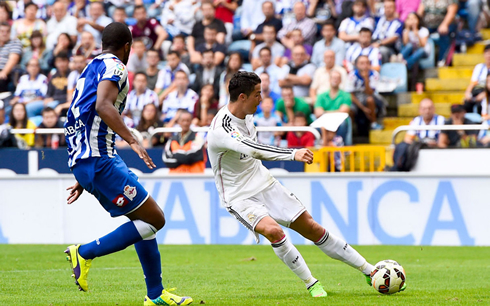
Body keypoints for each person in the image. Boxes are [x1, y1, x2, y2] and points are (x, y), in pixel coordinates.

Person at [207, 71, 384, 298]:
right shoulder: (221, 129)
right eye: (257, 94)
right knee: (274, 231)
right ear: (242, 97)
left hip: (263, 183)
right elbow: (254, 149)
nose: (261, 98)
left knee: (312, 228)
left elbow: (253, 149)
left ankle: (370, 271)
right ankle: (311, 283)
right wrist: (293, 153)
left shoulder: (248, 116)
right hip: (238, 196)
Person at [62, 22, 193, 305]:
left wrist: (83, 173)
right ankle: (84, 253)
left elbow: (79, 115)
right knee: (155, 219)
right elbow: (102, 106)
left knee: (142, 219)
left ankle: (155, 295)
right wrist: (132, 139)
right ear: (127, 47)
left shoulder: (90, 68)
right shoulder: (116, 67)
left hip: (91, 159)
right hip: (99, 159)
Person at [345, 55, 384, 131]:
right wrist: (363, 108)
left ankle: (374, 123)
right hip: (355, 98)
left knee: (370, 99)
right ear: (357, 65)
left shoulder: (374, 74)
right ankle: (351, 130)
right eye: (362, 63)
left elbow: (370, 93)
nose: (365, 66)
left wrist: (366, 79)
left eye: (367, 63)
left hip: (369, 96)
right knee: (350, 109)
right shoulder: (352, 75)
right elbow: (351, 95)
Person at [314, 70, 352, 144]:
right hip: (324, 120)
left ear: (340, 81)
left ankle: (332, 144)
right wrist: (337, 111)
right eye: (333, 78)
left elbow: (344, 112)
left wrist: (325, 112)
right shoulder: (321, 95)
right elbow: (318, 113)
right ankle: (329, 143)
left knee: (343, 123)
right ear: (329, 80)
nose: (335, 80)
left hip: (339, 121)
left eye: (337, 78)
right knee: (315, 125)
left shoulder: (346, 95)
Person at [417, 0, 458, 66]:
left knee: (444, 33)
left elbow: (451, 13)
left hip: (445, 23)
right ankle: (419, 61)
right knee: (419, 33)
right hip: (428, 25)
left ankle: (442, 60)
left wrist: (445, 24)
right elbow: (419, 13)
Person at [464, 44, 490, 109]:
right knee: (466, 104)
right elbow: (473, 83)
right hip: (477, 90)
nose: (488, 55)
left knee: (481, 105)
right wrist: (467, 93)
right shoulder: (479, 67)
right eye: (486, 53)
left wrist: (485, 94)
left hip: (487, 92)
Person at [0, 22, 22, 93]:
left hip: (6, 72)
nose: (5, 33)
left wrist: (4, 72)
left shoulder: (15, 42)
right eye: (2, 31)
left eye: (7, 31)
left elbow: (13, 60)